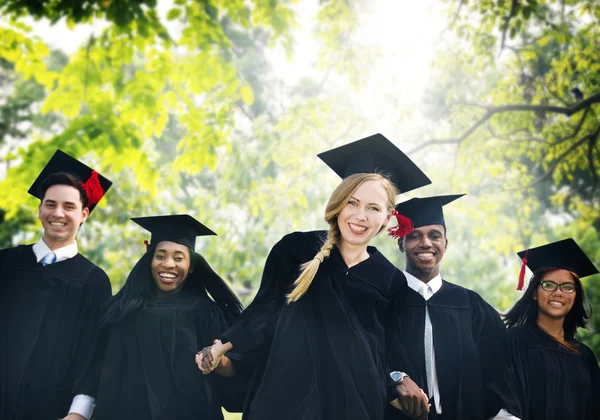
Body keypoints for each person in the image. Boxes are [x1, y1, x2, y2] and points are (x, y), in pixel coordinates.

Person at [196, 133, 432, 420]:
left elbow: (384, 352)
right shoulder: (295, 249)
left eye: (373, 208)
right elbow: (265, 312)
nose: (360, 216)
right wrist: (220, 347)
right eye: (352, 202)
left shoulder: (391, 280)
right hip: (285, 398)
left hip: (353, 406)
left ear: (387, 216)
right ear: (338, 202)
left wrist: (397, 381)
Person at [94, 214, 247, 420]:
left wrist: (217, 361)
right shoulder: (122, 311)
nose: (168, 264)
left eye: (178, 258)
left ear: (191, 265)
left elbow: (233, 373)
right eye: (160, 255)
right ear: (150, 257)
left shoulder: (204, 311)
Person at [385, 194, 521, 420]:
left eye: (435, 236)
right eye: (414, 235)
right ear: (401, 243)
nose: (426, 243)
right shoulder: (383, 302)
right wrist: (396, 378)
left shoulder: (471, 306)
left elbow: (496, 374)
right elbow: (367, 361)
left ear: (445, 244)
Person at [0, 150, 112, 420]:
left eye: (69, 206)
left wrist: (78, 414)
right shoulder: (6, 263)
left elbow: (94, 353)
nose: (58, 213)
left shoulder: (93, 280)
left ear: (84, 214)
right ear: (39, 209)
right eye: (50, 204)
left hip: (54, 411)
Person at [504, 238, 600, 420]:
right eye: (548, 285)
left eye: (567, 287)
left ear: (575, 296)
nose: (558, 293)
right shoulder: (513, 342)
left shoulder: (585, 357)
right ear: (534, 293)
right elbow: (499, 402)